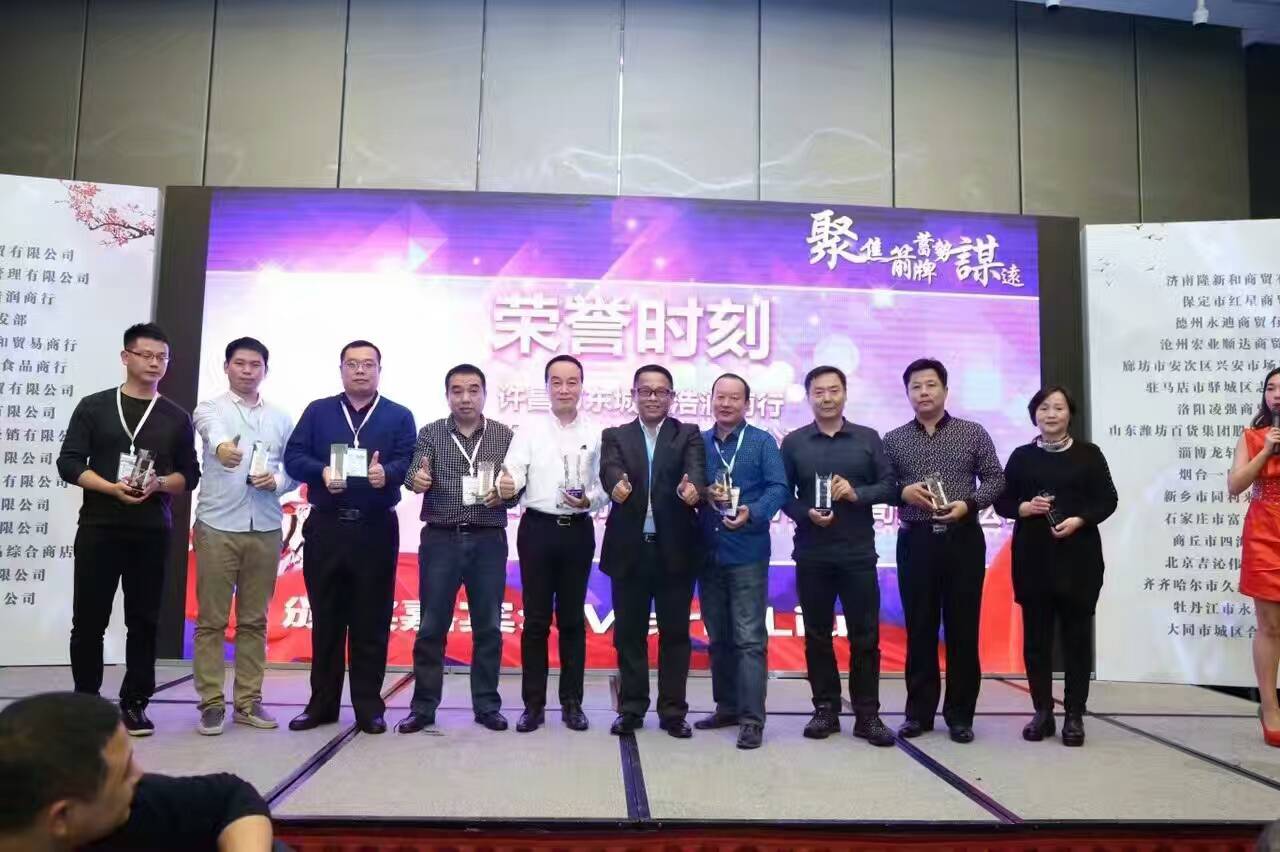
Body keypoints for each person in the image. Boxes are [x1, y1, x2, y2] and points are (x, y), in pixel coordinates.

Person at [56, 323, 201, 736]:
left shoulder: (176, 416)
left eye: (162, 357)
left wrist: (159, 484)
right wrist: (110, 488)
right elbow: (69, 463)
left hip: (151, 531)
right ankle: (87, 701)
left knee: (144, 620)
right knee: (89, 620)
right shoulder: (95, 406)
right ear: (126, 357)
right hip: (100, 527)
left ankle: (135, 702)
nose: (155, 363)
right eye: (146, 355)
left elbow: (189, 475)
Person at [283, 340, 416, 735]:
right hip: (326, 527)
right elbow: (294, 457)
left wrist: (387, 474)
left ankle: (369, 707)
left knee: (371, 621)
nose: (360, 370)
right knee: (326, 620)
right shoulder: (318, 411)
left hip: (375, 529)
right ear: (341, 369)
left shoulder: (398, 415)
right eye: (352, 364)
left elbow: (408, 460)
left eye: (368, 364)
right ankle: (321, 705)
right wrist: (321, 471)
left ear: (379, 370)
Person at [882, 358, 1004, 744]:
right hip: (916, 540)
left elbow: (996, 479)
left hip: (962, 540)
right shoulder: (894, 439)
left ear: (945, 390)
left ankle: (960, 715)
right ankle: (918, 714)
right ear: (907, 394)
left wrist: (968, 504)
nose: (924, 392)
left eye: (931, 385)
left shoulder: (972, 433)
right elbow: (881, 485)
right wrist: (901, 492)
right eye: (916, 387)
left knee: (962, 630)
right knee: (919, 628)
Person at [993, 386, 1117, 747]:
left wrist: (1080, 519)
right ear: (1034, 414)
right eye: (1044, 408)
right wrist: (1024, 508)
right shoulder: (1021, 457)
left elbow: (1108, 500)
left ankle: (1074, 714)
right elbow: (1002, 501)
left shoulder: (1089, 454)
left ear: (1069, 414)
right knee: (1036, 641)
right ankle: (1042, 712)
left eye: (1058, 408)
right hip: (1034, 560)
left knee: (1077, 640)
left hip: (1079, 560)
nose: (1051, 414)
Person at [780, 366, 897, 748]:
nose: (827, 398)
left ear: (845, 394)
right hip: (812, 553)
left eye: (833, 390)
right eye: (819, 392)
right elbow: (782, 493)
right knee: (817, 636)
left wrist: (856, 493)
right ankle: (825, 710)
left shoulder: (868, 438)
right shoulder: (794, 442)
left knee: (866, 637)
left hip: (858, 554)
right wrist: (806, 513)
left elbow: (890, 486)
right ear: (809, 397)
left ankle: (868, 715)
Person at [398, 364, 517, 734]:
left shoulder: (503, 435)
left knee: (489, 627)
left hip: (488, 540)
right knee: (431, 627)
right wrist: (416, 479)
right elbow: (413, 475)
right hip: (441, 540)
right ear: (447, 395)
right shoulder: (431, 432)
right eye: (457, 391)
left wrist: (509, 492)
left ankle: (487, 706)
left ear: (484, 394)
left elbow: (516, 489)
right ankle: (423, 708)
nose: (465, 398)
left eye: (473, 390)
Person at [0, 692, 277, 852]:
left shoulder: (129, 806)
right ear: (62, 817)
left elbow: (230, 797)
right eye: (124, 773)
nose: (139, 774)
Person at [191, 337, 297, 736]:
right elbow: (213, 432)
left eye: (255, 365)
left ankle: (249, 701)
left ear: (265, 370)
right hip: (218, 525)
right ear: (226, 367)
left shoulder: (281, 417)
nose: (248, 371)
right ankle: (211, 702)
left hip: (265, 526)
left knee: (255, 621)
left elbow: (293, 470)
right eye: (240, 363)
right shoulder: (210, 408)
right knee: (212, 620)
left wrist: (278, 482)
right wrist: (223, 449)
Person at [496, 355, 607, 733]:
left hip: (577, 531)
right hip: (537, 530)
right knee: (536, 620)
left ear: (581, 386)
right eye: (556, 382)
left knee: (573, 619)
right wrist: (507, 484)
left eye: (571, 382)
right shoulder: (528, 430)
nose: (564, 389)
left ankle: (572, 704)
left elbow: (605, 486)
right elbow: (513, 472)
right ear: (546, 386)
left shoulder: (597, 433)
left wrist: (590, 501)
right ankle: (533, 705)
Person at [600, 364, 706, 738]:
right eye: (645, 391)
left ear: (671, 397)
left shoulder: (687, 434)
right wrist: (615, 485)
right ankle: (631, 708)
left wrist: (693, 489)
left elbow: (696, 471)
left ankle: (673, 711)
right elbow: (609, 469)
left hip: (674, 550)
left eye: (661, 391)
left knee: (675, 635)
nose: (653, 397)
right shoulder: (616, 435)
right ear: (634, 395)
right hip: (629, 550)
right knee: (629, 634)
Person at [694, 373, 788, 749]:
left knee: (749, 639)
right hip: (708, 552)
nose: (726, 403)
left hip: (747, 551)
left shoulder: (762, 441)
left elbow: (779, 488)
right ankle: (727, 707)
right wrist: (701, 492)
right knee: (718, 636)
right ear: (711, 399)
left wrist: (754, 511)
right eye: (720, 396)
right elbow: (688, 487)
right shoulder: (699, 443)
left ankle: (752, 719)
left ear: (747, 404)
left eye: (734, 398)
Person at [1228, 366, 1280, 747]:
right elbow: (1235, 485)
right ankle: (1270, 706)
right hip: (1265, 534)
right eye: (1271, 388)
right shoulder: (1252, 437)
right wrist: (1266, 451)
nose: (1277, 394)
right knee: (1270, 626)